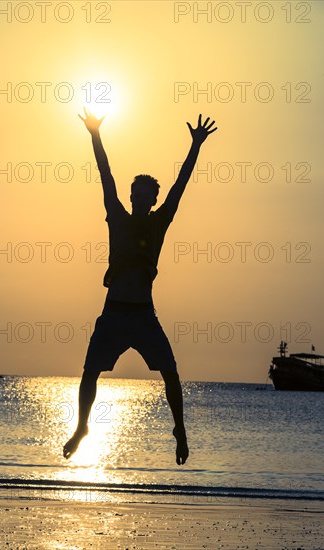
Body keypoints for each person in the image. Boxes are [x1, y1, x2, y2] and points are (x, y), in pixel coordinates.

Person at [63, 111, 217, 465]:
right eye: (136, 193)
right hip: (114, 313)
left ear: (152, 199)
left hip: (144, 317)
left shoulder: (159, 222)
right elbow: (106, 174)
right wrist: (95, 134)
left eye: (146, 194)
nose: (139, 197)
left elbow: (181, 185)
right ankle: (82, 427)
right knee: (89, 372)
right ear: (131, 196)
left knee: (171, 373)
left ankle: (179, 429)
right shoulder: (116, 216)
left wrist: (195, 146)